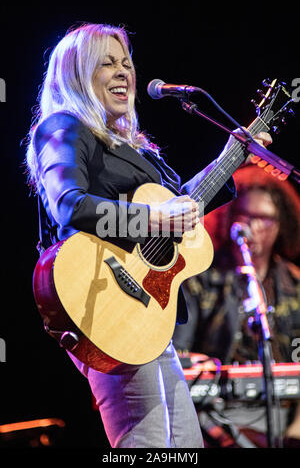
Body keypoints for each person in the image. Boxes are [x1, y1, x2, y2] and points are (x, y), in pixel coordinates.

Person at [25, 23, 271, 448]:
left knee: (184, 446)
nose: (124, 72)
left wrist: (232, 159)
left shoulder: (134, 148)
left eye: (126, 62)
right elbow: (69, 206)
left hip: (146, 314)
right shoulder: (64, 127)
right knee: (147, 446)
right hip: (103, 302)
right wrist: (154, 219)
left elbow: (182, 207)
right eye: (106, 63)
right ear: (78, 75)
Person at [173, 163, 300, 445]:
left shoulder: (296, 284)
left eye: (264, 218)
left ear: (281, 224)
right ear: (228, 218)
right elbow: (176, 356)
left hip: (286, 419)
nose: (253, 227)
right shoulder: (198, 281)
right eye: (244, 216)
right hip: (214, 419)